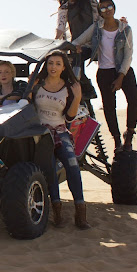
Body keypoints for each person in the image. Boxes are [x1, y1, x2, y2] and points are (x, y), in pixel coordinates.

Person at [72, 0, 137, 152]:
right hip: (104, 72)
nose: (107, 10)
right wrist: (77, 47)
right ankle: (116, 140)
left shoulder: (125, 29)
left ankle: (129, 134)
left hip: (124, 70)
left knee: (135, 100)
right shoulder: (97, 28)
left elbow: (128, 55)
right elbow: (78, 41)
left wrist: (120, 77)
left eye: (109, 6)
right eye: (102, 8)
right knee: (109, 107)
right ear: (100, 12)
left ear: (114, 8)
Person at [32, 50, 90, 230]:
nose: (53, 67)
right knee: (49, 168)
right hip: (41, 133)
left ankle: (80, 212)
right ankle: (56, 211)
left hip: (60, 131)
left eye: (58, 64)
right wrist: (30, 86)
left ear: (64, 67)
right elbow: (27, 105)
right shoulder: (38, 84)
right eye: (50, 63)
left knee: (72, 164)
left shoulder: (69, 88)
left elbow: (70, 117)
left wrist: (77, 97)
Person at [54, 0, 100, 100]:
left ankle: (87, 88)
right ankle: (82, 96)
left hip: (92, 42)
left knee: (76, 59)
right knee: (69, 66)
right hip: (75, 46)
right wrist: (54, 45)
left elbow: (96, 23)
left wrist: (77, 43)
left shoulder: (90, 1)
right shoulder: (64, 7)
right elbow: (60, 28)